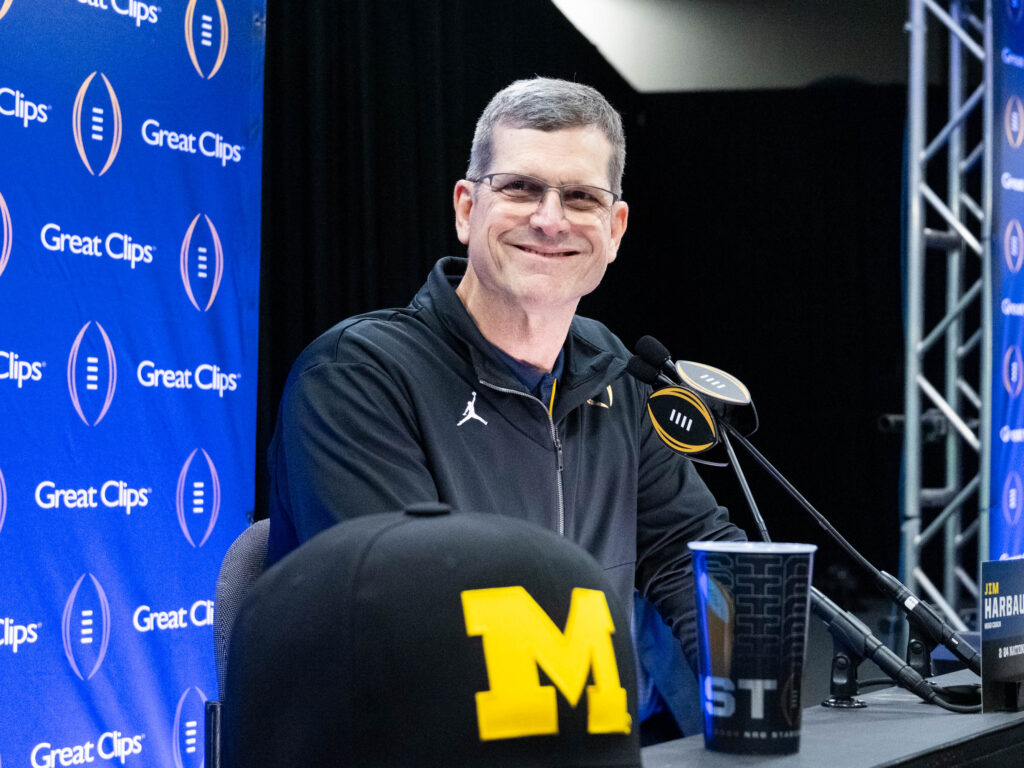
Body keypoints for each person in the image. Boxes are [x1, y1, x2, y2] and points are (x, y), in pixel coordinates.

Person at [266, 76, 744, 706]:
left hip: (583, 747)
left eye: (580, 197)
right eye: (520, 188)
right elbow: (410, 621)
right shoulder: (357, 377)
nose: (549, 220)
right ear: (466, 209)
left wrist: (752, 686)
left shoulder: (614, 374)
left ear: (615, 228)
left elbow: (696, 562)